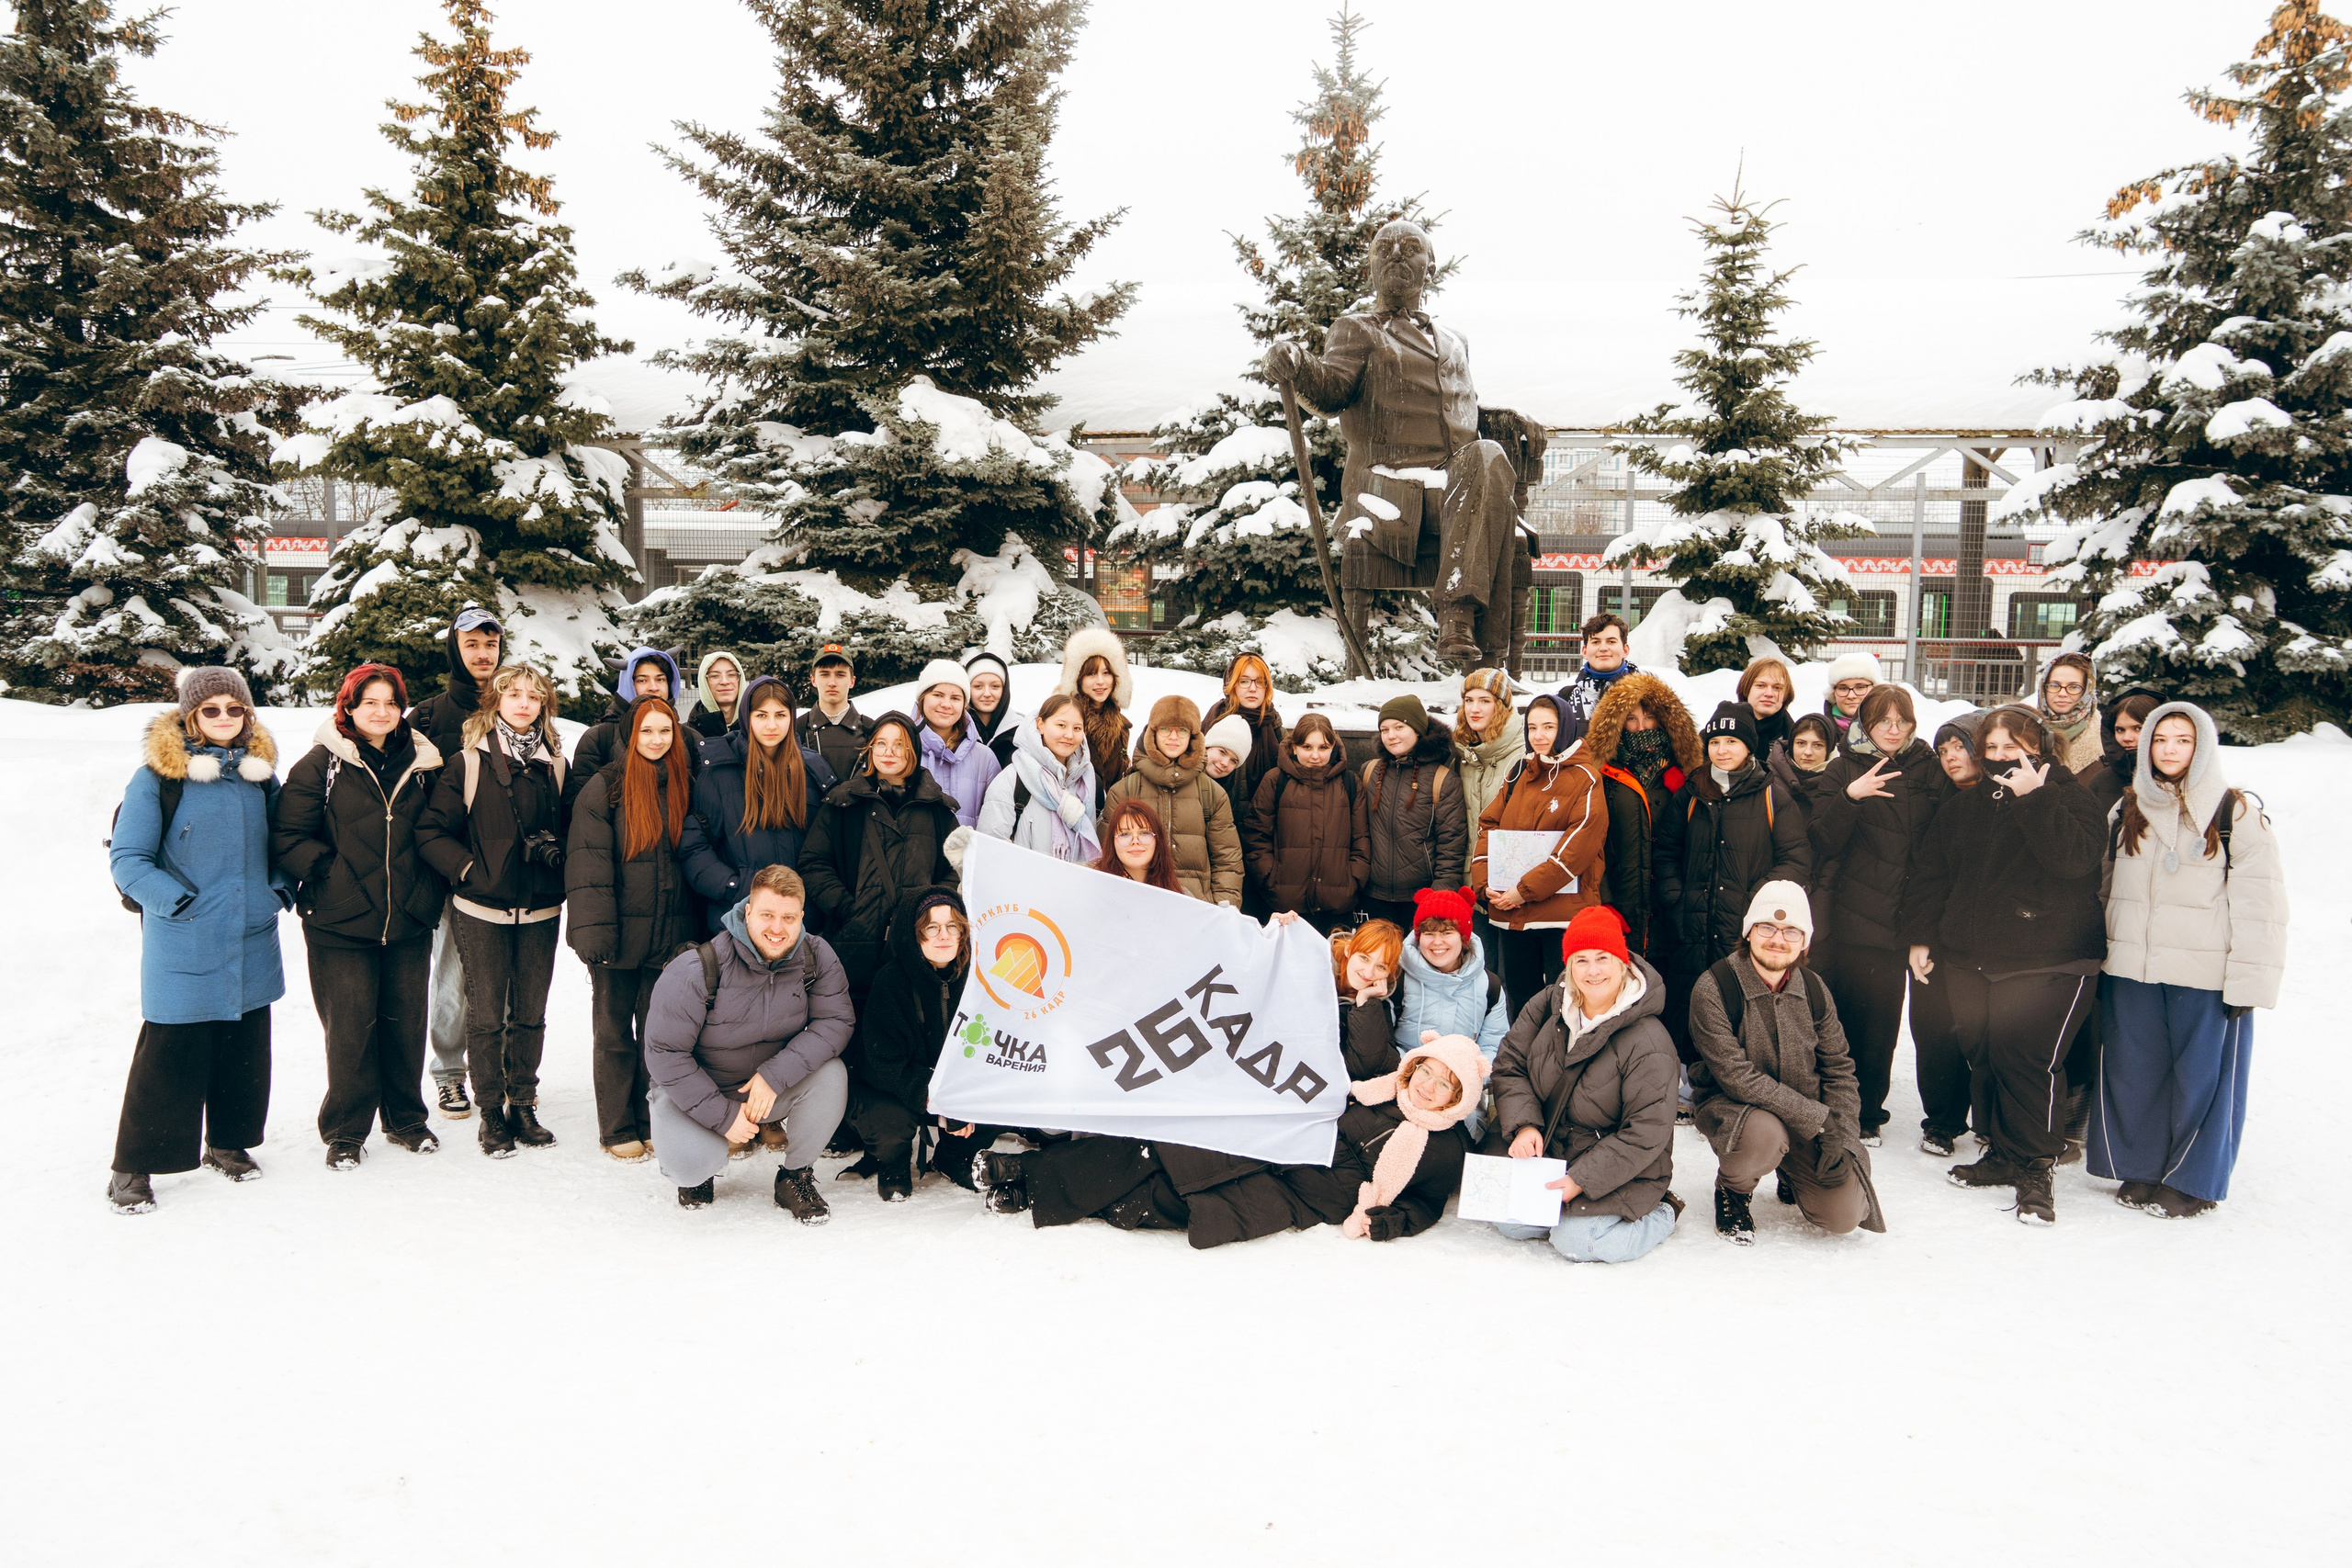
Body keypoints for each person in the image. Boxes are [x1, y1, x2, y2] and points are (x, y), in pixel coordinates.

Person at [970, 921, 1405, 1247]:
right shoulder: (1302, 980)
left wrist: (1367, 1005)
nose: (1367, 970)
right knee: (1155, 1145)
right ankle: (1024, 1175)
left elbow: (1361, 1066)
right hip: (1237, 1096)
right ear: (1347, 954)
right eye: (1363, 957)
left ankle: (1027, 1180)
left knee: (1166, 1164)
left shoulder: (1376, 1017)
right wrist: (1274, 938)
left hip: (1277, 1130)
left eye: (1380, 966)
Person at [1263, 217, 1521, 665]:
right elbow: (1330, 391)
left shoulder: (1456, 341)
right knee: (1491, 481)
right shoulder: (1356, 330)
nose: (1397, 254)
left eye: (1409, 247)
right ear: (1371, 268)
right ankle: (1468, 632)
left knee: (1488, 455)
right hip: (1388, 488)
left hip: (1455, 488)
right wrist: (1298, 363)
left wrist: (1504, 418)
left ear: (1431, 267)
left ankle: (1481, 661)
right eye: (1385, 249)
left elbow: (1460, 412)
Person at [1903, 705, 2106, 1224]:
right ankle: (2000, 1152)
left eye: (2010, 747)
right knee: (1986, 1054)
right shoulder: (1967, 807)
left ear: (2038, 746)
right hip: (1974, 960)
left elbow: (2072, 861)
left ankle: (2036, 1166)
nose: (1998, 759)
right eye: (1988, 749)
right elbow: (1933, 873)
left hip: (2050, 959)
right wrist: (1922, 936)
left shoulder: (2070, 799)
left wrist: (2034, 799)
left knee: (2028, 1060)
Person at [2090, 703, 2288, 1218]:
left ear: (2202, 747)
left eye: (2183, 740)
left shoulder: (2233, 812)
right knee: (2135, 1071)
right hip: (2133, 969)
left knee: (2203, 1079)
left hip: (2205, 975)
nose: (2170, 749)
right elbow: (2104, 888)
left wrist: (2249, 982)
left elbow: (2261, 904)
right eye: (2160, 740)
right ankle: (2142, 1166)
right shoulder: (2127, 808)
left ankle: (2193, 1180)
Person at [106, 670, 292, 1213]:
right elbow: (129, 859)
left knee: (244, 1047)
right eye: (210, 710)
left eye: (234, 710)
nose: (224, 719)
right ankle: (133, 1166)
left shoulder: (261, 779)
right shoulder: (159, 778)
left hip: (251, 935)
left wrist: (276, 895)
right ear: (190, 716)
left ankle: (228, 1144)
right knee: (169, 1054)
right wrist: (180, 904)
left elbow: (285, 846)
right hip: (184, 939)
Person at [272, 663, 448, 1171]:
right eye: (369, 701)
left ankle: (406, 1119)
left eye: (391, 702)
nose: (381, 711)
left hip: (408, 917)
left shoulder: (424, 763)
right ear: (348, 706)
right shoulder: (321, 764)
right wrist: (330, 873)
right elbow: (287, 837)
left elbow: (440, 829)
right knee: (350, 1029)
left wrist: (427, 887)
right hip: (340, 921)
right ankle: (346, 1131)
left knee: (404, 1024)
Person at [413, 663, 570, 1158]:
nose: (524, 703)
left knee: (530, 1015)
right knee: (485, 1018)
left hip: (541, 910)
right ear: (495, 702)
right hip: (480, 910)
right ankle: (489, 1113)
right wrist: (468, 871)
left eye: (534, 696)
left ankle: (522, 1102)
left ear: (544, 705)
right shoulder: (469, 762)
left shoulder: (557, 766)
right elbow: (430, 833)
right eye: (514, 694)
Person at [642, 866, 854, 1218]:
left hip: (765, 1087)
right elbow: (665, 1053)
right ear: (747, 911)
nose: (777, 928)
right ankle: (698, 1170)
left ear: (801, 916)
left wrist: (776, 1074)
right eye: (767, 915)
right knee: (690, 1164)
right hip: (697, 1086)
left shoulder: (817, 956)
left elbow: (836, 1021)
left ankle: (794, 1175)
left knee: (832, 1074)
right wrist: (723, 1116)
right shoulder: (698, 967)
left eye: (788, 917)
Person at [1689, 882, 1883, 1244]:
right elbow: (1736, 1078)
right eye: (1767, 927)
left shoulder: (1814, 988)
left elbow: (1839, 1068)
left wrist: (1841, 1134)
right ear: (1749, 932)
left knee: (1843, 1216)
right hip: (1737, 1109)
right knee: (1765, 1134)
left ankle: (1793, 1172)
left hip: (1809, 1114)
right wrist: (1818, 1118)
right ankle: (1732, 1190)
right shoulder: (1714, 987)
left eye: (1791, 931)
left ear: (1804, 942)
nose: (1778, 939)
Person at [1488, 906, 1682, 1263]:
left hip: (1622, 1166)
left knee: (1581, 1242)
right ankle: (1567, 1212)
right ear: (1568, 965)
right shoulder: (1547, 1005)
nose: (1592, 971)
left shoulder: (1649, 1040)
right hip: (1553, 1149)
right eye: (1581, 960)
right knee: (1511, 1224)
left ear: (1622, 963)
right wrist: (1525, 1124)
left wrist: (1582, 1180)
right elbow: (1509, 1065)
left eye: (1603, 958)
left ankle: (1662, 1212)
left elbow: (1647, 1131)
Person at [1805, 685, 1952, 1145]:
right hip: (1859, 915)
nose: (1893, 729)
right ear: (1865, 724)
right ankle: (1851, 1110)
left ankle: (1891, 1112)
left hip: (1913, 915)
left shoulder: (1929, 768)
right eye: (1882, 720)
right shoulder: (1843, 768)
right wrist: (1851, 796)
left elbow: (1943, 839)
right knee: (1853, 1018)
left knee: (1891, 1024)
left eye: (1901, 720)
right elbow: (1821, 841)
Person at [566, 695, 701, 1161]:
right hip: (619, 934)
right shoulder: (606, 788)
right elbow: (588, 866)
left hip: (672, 932)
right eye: (647, 731)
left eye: (666, 731)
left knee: (657, 1033)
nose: (657, 740)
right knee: (613, 1031)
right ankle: (617, 1125)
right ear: (630, 735)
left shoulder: (687, 784)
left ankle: (651, 1120)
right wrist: (595, 934)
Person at [1653, 701, 1810, 1058]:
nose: (1722, 750)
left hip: (1742, 931)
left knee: (1736, 1008)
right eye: (1715, 741)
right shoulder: (1691, 794)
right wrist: (1677, 898)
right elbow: (1666, 853)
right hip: (1689, 927)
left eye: (1732, 742)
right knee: (1688, 1001)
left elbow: (1795, 860)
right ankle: (1687, 1082)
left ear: (1748, 747)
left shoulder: (1772, 796)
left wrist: (1756, 906)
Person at [842, 887, 1006, 1201]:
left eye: (952, 925)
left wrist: (960, 1102)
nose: (943, 935)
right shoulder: (890, 983)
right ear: (914, 934)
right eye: (931, 927)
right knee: (889, 1127)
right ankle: (894, 1159)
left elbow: (990, 1052)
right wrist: (939, 1099)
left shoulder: (979, 978)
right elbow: (883, 1066)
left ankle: (954, 1154)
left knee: (1001, 1094)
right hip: (899, 1088)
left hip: (952, 1086)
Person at [408, 604, 503, 1120]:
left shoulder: (519, 705)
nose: (482, 653)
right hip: (451, 873)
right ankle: (449, 1074)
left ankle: (507, 1067)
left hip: (508, 874)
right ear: (455, 648)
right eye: (472, 644)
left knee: (508, 980)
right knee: (453, 980)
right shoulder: (426, 716)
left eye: (490, 644)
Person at [798, 712, 960, 996]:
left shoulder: (937, 810)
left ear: (913, 750)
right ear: (869, 749)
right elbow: (813, 863)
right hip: (854, 945)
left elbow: (956, 870)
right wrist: (847, 908)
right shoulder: (843, 802)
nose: (888, 752)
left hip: (918, 943)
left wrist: (931, 912)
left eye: (899, 745)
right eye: (880, 744)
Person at [1474, 693, 1609, 1021]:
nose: (1539, 735)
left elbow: (1576, 849)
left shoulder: (1586, 778)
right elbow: (1489, 824)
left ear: (1565, 728)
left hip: (1560, 917)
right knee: (1520, 1001)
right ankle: (1525, 1066)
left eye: (1549, 727)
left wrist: (1525, 889)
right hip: (1513, 913)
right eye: (1533, 727)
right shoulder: (1520, 769)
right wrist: (1485, 885)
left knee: (1565, 1003)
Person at [679, 674, 838, 937]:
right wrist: (735, 887)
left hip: (800, 920)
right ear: (746, 717)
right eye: (761, 715)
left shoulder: (814, 770)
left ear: (792, 717)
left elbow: (831, 846)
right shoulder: (719, 773)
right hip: (737, 918)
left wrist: (813, 893)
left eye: (781, 715)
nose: (772, 725)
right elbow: (695, 845)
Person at [1581, 674, 1699, 967]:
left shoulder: (1683, 775)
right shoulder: (1604, 774)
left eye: (1649, 717)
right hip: (1620, 903)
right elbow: (1593, 842)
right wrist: (1604, 900)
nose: (1642, 726)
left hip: (1670, 905)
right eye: (1632, 719)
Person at [1911, 708, 1987, 1156]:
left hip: (1987, 939)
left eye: (1960, 746)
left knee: (1981, 1031)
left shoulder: (2007, 797)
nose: (1951, 757)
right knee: (1934, 1027)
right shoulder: (1937, 798)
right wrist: (1919, 936)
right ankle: (1941, 1119)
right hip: (1938, 933)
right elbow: (1926, 876)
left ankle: (1990, 1121)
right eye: (1943, 750)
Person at [1340, 1032, 1488, 1240]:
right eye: (1425, 1071)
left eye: (1444, 1085)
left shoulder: (1450, 1148)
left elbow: (1427, 1203)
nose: (1427, 1086)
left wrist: (1393, 1222)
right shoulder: (1379, 1091)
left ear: (1458, 1098)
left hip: (1318, 1196)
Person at [1100, 694, 1243, 907]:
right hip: (1138, 906)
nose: (1173, 737)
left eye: (1182, 730)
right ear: (1153, 733)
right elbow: (1107, 855)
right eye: (1166, 729)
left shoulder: (1211, 793)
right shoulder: (1124, 790)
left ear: (1193, 737)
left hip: (1196, 909)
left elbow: (1227, 861)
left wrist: (1220, 911)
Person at [1393, 888, 1508, 1145]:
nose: (1437, 942)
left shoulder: (1489, 985)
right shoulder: (1399, 977)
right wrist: (1413, 1077)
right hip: (1404, 1086)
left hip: (1458, 1095)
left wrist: (1461, 1080)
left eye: (1447, 933)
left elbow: (1494, 1045)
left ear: (1464, 937)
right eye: (1429, 934)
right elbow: (1383, 1037)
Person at [1241, 711, 1365, 932]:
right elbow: (1255, 835)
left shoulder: (1350, 782)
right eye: (1307, 747)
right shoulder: (1275, 780)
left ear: (1333, 748)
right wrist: (1270, 878)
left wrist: (1353, 880)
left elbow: (1362, 838)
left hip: (1337, 903)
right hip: (1286, 904)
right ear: (1294, 747)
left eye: (1323, 747)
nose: (1315, 755)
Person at [1358, 694, 1468, 928]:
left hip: (1420, 898)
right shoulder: (1370, 772)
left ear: (1417, 730)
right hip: (1372, 896)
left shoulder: (1442, 779)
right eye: (1385, 729)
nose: (1391, 735)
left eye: (1399, 727)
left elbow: (1451, 846)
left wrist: (1437, 898)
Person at [571, 646, 684, 795]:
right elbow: (585, 807)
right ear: (627, 683)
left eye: (660, 679)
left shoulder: (688, 737)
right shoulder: (597, 739)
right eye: (642, 680)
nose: (653, 687)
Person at [910, 659, 1001, 829]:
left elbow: (996, 823)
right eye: (937, 695)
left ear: (964, 705)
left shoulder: (984, 757)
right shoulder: (902, 749)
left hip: (969, 855)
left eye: (955, 698)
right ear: (922, 699)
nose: (946, 704)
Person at [1057, 625, 1133, 803]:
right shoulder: (1061, 720)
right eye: (1091, 674)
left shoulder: (1121, 727)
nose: (1100, 681)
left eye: (1106, 673)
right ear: (1077, 678)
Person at [1453, 667, 1525, 846]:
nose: (1474, 709)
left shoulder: (1524, 755)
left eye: (1485, 701)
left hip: (1506, 863)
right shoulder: (1459, 753)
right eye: (1468, 700)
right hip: (1466, 867)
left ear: (1500, 706)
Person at [1201, 651, 1285, 802]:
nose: (1253, 688)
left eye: (1260, 682)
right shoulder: (1213, 721)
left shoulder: (1275, 727)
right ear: (1231, 684)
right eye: (1244, 681)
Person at [1555, 612, 1640, 746]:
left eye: (1611, 641)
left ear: (1625, 650)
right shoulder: (1564, 700)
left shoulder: (1645, 697)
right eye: (1596, 642)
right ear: (1584, 651)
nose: (1603, 648)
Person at [2077, 686, 2163, 815]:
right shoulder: (2101, 781)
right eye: (2120, 730)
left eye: (2138, 728)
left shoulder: (2177, 780)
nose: (2127, 738)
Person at [798, 642, 874, 784]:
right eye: (825, 674)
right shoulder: (797, 729)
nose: (832, 682)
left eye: (840, 675)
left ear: (852, 681)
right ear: (813, 680)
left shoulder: (871, 730)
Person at [1094, 796, 1185, 893]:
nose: (1135, 841)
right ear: (1112, 842)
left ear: (1158, 840)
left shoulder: (1179, 896)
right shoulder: (1092, 885)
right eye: (1125, 834)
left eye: (1144, 833)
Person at [2037, 652, 2102, 773]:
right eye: (2054, 685)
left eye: (2074, 687)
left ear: (2087, 691)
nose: (2062, 693)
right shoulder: (2024, 730)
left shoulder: (2105, 738)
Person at [1202, 712, 1257, 837]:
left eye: (1234, 761)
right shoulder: (1182, 777)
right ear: (1207, 747)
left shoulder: (1229, 792)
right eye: (1222, 752)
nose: (1225, 763)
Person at [964, 651, 1022, 769]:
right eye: (978, 686)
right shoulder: (955, 729)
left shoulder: (1021, 731)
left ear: (1004, 690)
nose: (987, 693)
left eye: (995, 686)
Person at [1736, 656, 1797, 764]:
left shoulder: (1798, 737)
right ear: (1746, 689)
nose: (1769, 693)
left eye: (1777, 687)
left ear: (1786, 694)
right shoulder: (1724, 728)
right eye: (1761, 685)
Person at [1820, 652, 1881, 749]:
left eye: (1860, 687)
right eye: (1843, 688)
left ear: (1875, 690)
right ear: (1833, 693)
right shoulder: (1818, 732)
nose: (1851, 696)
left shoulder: (1892, 731)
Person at [687, 649, 747, 741]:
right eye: (715, 676)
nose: (725, 682)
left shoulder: (755, 726)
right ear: (704, 682)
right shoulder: (689, 733)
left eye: (731, 675)